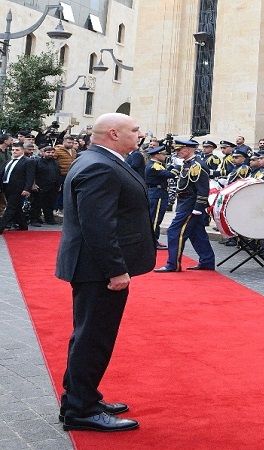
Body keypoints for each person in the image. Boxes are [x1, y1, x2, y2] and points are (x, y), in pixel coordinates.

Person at [55, 112, 154, 432]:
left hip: (92, 267)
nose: (140, 134)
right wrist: (115, 270)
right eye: (134, 129)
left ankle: (81, 397)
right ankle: (81, 409)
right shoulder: (99, 165)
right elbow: (98, 225)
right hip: (98, 270)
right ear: (114, 133)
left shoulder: (99, 159)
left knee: (88, 334)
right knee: (94, 337)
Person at [154, 139, 215, 272]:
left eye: (179, 149)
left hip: (190, 205)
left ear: (188, 149)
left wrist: (198, 208)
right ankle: (207, 261)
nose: (177, 152)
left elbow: (203, 188)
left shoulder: (197, 165)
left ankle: (173, 264)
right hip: (185, 202)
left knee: (174, 232)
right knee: (197, 233)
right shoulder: (188, 164)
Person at [144, 145, 178, 249]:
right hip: (157, 194)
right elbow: (170, 174)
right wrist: (178, 166)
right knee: (155, 219)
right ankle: (152, 242)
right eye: (163, 154)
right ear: (156, 155)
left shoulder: (157, 164)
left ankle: (154, 240)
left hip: (158, 192)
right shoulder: (155, 165)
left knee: (156, 219)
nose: (165, 156)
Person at [0, 142, 35, 233]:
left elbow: (30, 176)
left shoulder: (28, 161)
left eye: (17, 150)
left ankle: (1, 227)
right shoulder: (8, 161)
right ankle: (23, 225)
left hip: (19, 188)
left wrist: (27, 189)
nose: (14, 151)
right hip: (7, 187)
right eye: (13, 150)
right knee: (17, 207)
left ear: (22, 151)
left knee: (10, 207)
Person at [30, 146, 61, 226]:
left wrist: (59, 185)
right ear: (43, 153)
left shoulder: (55, 162)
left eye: (52, 152)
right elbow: (32, 174)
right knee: (36, 204)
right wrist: (33, 184)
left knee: (50, 204)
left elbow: (58, 174)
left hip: (52, 187)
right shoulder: (37, 162)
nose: (50, 154)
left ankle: (49, 219)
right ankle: (34, 220)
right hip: (40, 187)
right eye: (48, 152)